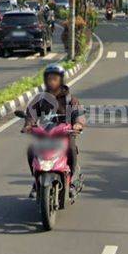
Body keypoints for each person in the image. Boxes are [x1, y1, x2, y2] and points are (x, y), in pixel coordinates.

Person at [23, 64, 85, 197]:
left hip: (65, 134)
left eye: (55, 79)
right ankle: (36, 181)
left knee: (72, 149)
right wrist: (29, 124)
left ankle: (72, 181)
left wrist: (78, 124)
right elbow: (31, 114)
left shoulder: (70, 99)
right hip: (45, 134)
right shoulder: (41, 100)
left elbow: (78, 114)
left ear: (61, 80)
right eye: (49, 79)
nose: (52, 81)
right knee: (31, 150)